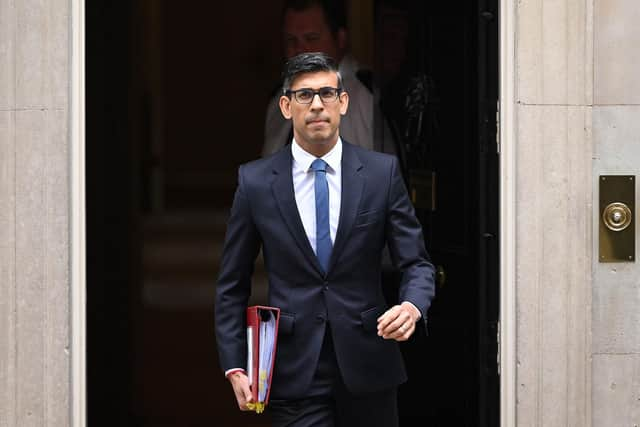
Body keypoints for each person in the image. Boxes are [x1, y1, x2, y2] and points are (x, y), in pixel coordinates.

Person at [215, 52, 435, 426]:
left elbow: (416, 263)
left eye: (327, 94)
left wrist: (412, 306)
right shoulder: (255, 183)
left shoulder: (381, 174)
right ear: (286, 107)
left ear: (343, 102)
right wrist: (235, 364)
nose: (317, 105)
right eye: (304, 96)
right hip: (293, 371)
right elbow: (231, 285)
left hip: (369, 366)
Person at [262, 0, 396, 157]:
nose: (299, 50)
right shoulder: (279, 102)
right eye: (291, 40)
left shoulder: (367, 97)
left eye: (311, 38)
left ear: (340, 39)